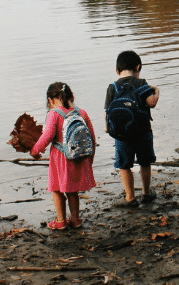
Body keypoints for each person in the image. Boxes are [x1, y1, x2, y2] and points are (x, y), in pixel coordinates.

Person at [30, 82, 96, 230]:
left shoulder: (54, 114)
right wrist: (90, 159)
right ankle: (75, 219)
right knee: (72, 190)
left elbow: (47, 136)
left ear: (50, 100)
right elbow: (92, 137)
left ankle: (60, 221)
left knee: (56, 189)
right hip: (78, 158)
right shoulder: (81, 112)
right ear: (71, 97)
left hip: (60, 159)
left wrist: (35, 150)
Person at [104, 50, 160, 206]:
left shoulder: (112, 87)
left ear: (117, 70)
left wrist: (107, 128)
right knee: (144, 162)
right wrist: (156, 91)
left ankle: (130, 197)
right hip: (143, 132)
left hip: (122, 135)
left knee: (124, 165)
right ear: (138, 67)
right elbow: (152, 102)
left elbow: (107, 111)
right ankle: (147, 194)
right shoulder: (141, 83)